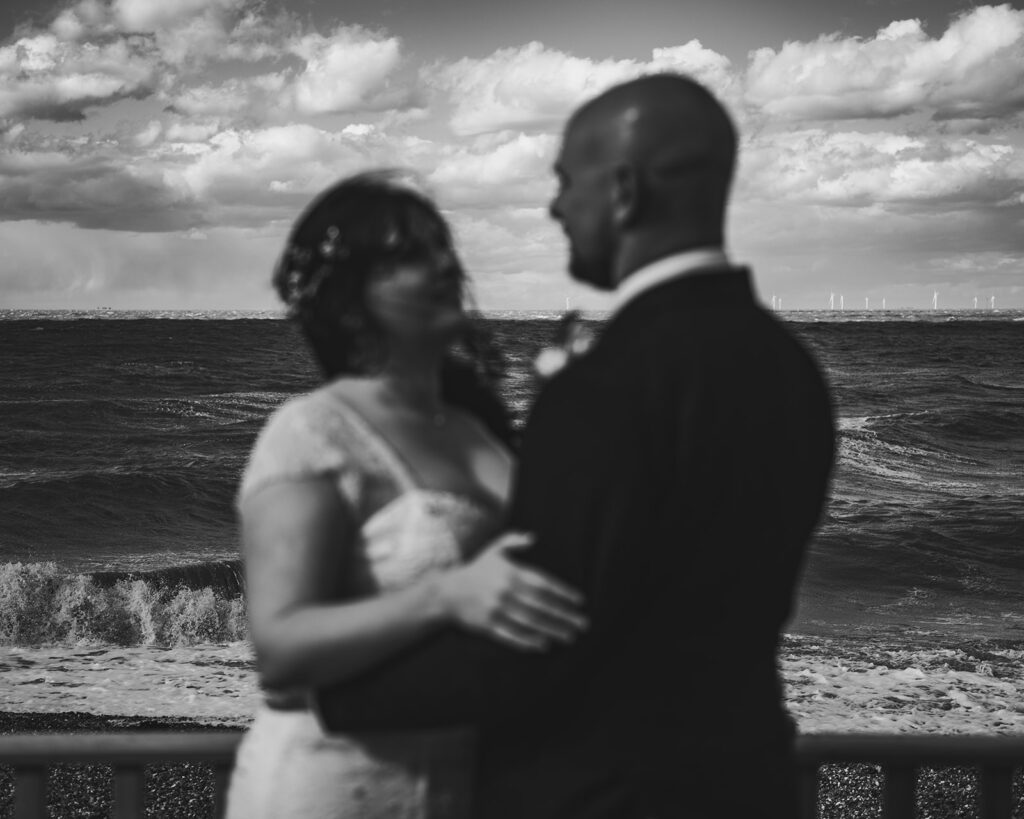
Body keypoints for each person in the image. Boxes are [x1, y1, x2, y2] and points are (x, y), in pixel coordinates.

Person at [316, 73, 836, 819]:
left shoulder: (609, 385)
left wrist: (345, 690)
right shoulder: (790, 370)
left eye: (565, 182)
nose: (555, 206)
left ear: (623, 190)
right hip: (750, 781)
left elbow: (542, 636)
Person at [224, 170, 588, 819]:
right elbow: (280, 649)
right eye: (410, 255)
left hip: (465, 784)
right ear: (349, 300)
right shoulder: (313, 430)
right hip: (333, 788)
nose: (444, 264)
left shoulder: (477, 427)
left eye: (441, 246)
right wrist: (448, 593)